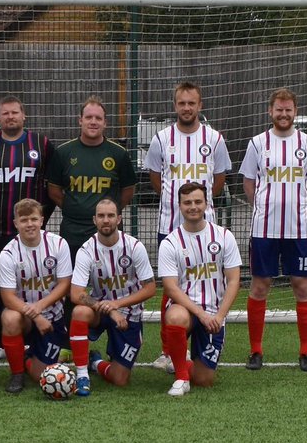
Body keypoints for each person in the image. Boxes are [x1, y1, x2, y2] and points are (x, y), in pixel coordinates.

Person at [144, 80, 232, 372]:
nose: (186, 108)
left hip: (206, 228)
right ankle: (169, 351)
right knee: (171, 289)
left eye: (191, 103)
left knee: (208, 282)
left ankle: (210, 335)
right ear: (175, 105)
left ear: (200, 105)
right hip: (169, 225)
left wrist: (196, 207)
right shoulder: (161, 138)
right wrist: (176, 203)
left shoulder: (215, 139)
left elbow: (218, 181)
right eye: (181, 103)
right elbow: (156, 179)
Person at [239, 88, 307, 372]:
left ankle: (305, 352)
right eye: (279, 109)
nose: (284, 114)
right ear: (270, 111)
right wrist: (266, 205)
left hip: (299, 230)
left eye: (288, 109)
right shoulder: (257, 143)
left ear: (295, 111)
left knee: (302, 286)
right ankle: (255, 350)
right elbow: (249, 183)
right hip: (264, 230)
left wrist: (296, 203)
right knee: (260, 286)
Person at [0, 95, 55, 365]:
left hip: (31, 232)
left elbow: (51, 186)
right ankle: (0, 341)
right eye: (5, 113)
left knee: (40, 282)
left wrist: (41, 218)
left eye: (15, 113)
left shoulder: (42, 145)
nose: (10, 117)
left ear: (24, 116)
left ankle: (44, 335)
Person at [156, 182, 242, 396]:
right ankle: (181, 378)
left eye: (197, 202)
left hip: (214, 313)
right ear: (179, 206)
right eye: (187, 202)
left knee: (204, 380)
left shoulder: (224, 236)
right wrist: (201, 314)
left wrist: (219, 316)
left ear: (206, 204)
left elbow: (233, 281)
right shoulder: (170, 242)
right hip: (185, 308)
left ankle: (181, 363)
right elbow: (171, 288)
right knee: (175, 316)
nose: (192, 206)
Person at [67, 198, 157, 395]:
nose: (105, 220)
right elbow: (76, 293)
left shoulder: (134, 247)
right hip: (100, 310)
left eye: (110, 216)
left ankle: (96, 362)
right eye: (101, 216)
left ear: (119, 219)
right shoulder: (86, 250)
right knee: (80, 311)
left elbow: (150, 288)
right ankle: (82, 375)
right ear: (94, 220)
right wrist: (109, 309)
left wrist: (116, 305)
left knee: (120, 379)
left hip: (129, 314)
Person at [47, 95, 136, 262]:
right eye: (88, 117)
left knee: (110, 282)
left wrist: (110, 211)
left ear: (105, 122)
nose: (93, 121)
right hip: (73, 230)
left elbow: (128, 191)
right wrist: (73, 207)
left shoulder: (119, 154)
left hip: (107, 230)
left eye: (98, 118)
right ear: (80, 120)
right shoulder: (63, 152)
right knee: (72, 282)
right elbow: (54, 190)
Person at [0, 198, 72, 394]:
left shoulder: (58, 244)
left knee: (45, 376)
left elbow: (65, 284)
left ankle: (26, 358)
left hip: (52, 319)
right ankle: (16, 374)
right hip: (26, 318)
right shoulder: (8, 253)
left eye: (33, 219)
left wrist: (40, 307)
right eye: (23, 220)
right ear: (16, 224)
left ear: (41, 220)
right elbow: (7, 297)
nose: (29, 224)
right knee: (9, 317)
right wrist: (36, 315)